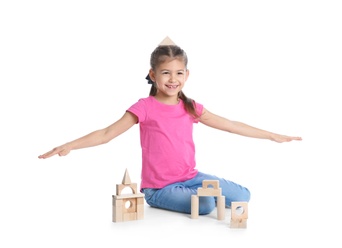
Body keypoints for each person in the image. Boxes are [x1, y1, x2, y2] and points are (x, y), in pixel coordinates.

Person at [38, 41, 302, 215]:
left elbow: (230, 125)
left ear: (186, 75)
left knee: (244, 194)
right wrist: (69, 145)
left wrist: (271, 135)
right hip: (160, 189)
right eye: (165, 73)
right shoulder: (144, 107)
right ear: (153, 75)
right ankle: (190, 198)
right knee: (208, 205)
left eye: (178, 73)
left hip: (192, 177)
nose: (173, 79)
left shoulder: (191, 107)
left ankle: (198, 195)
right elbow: (107, 133)